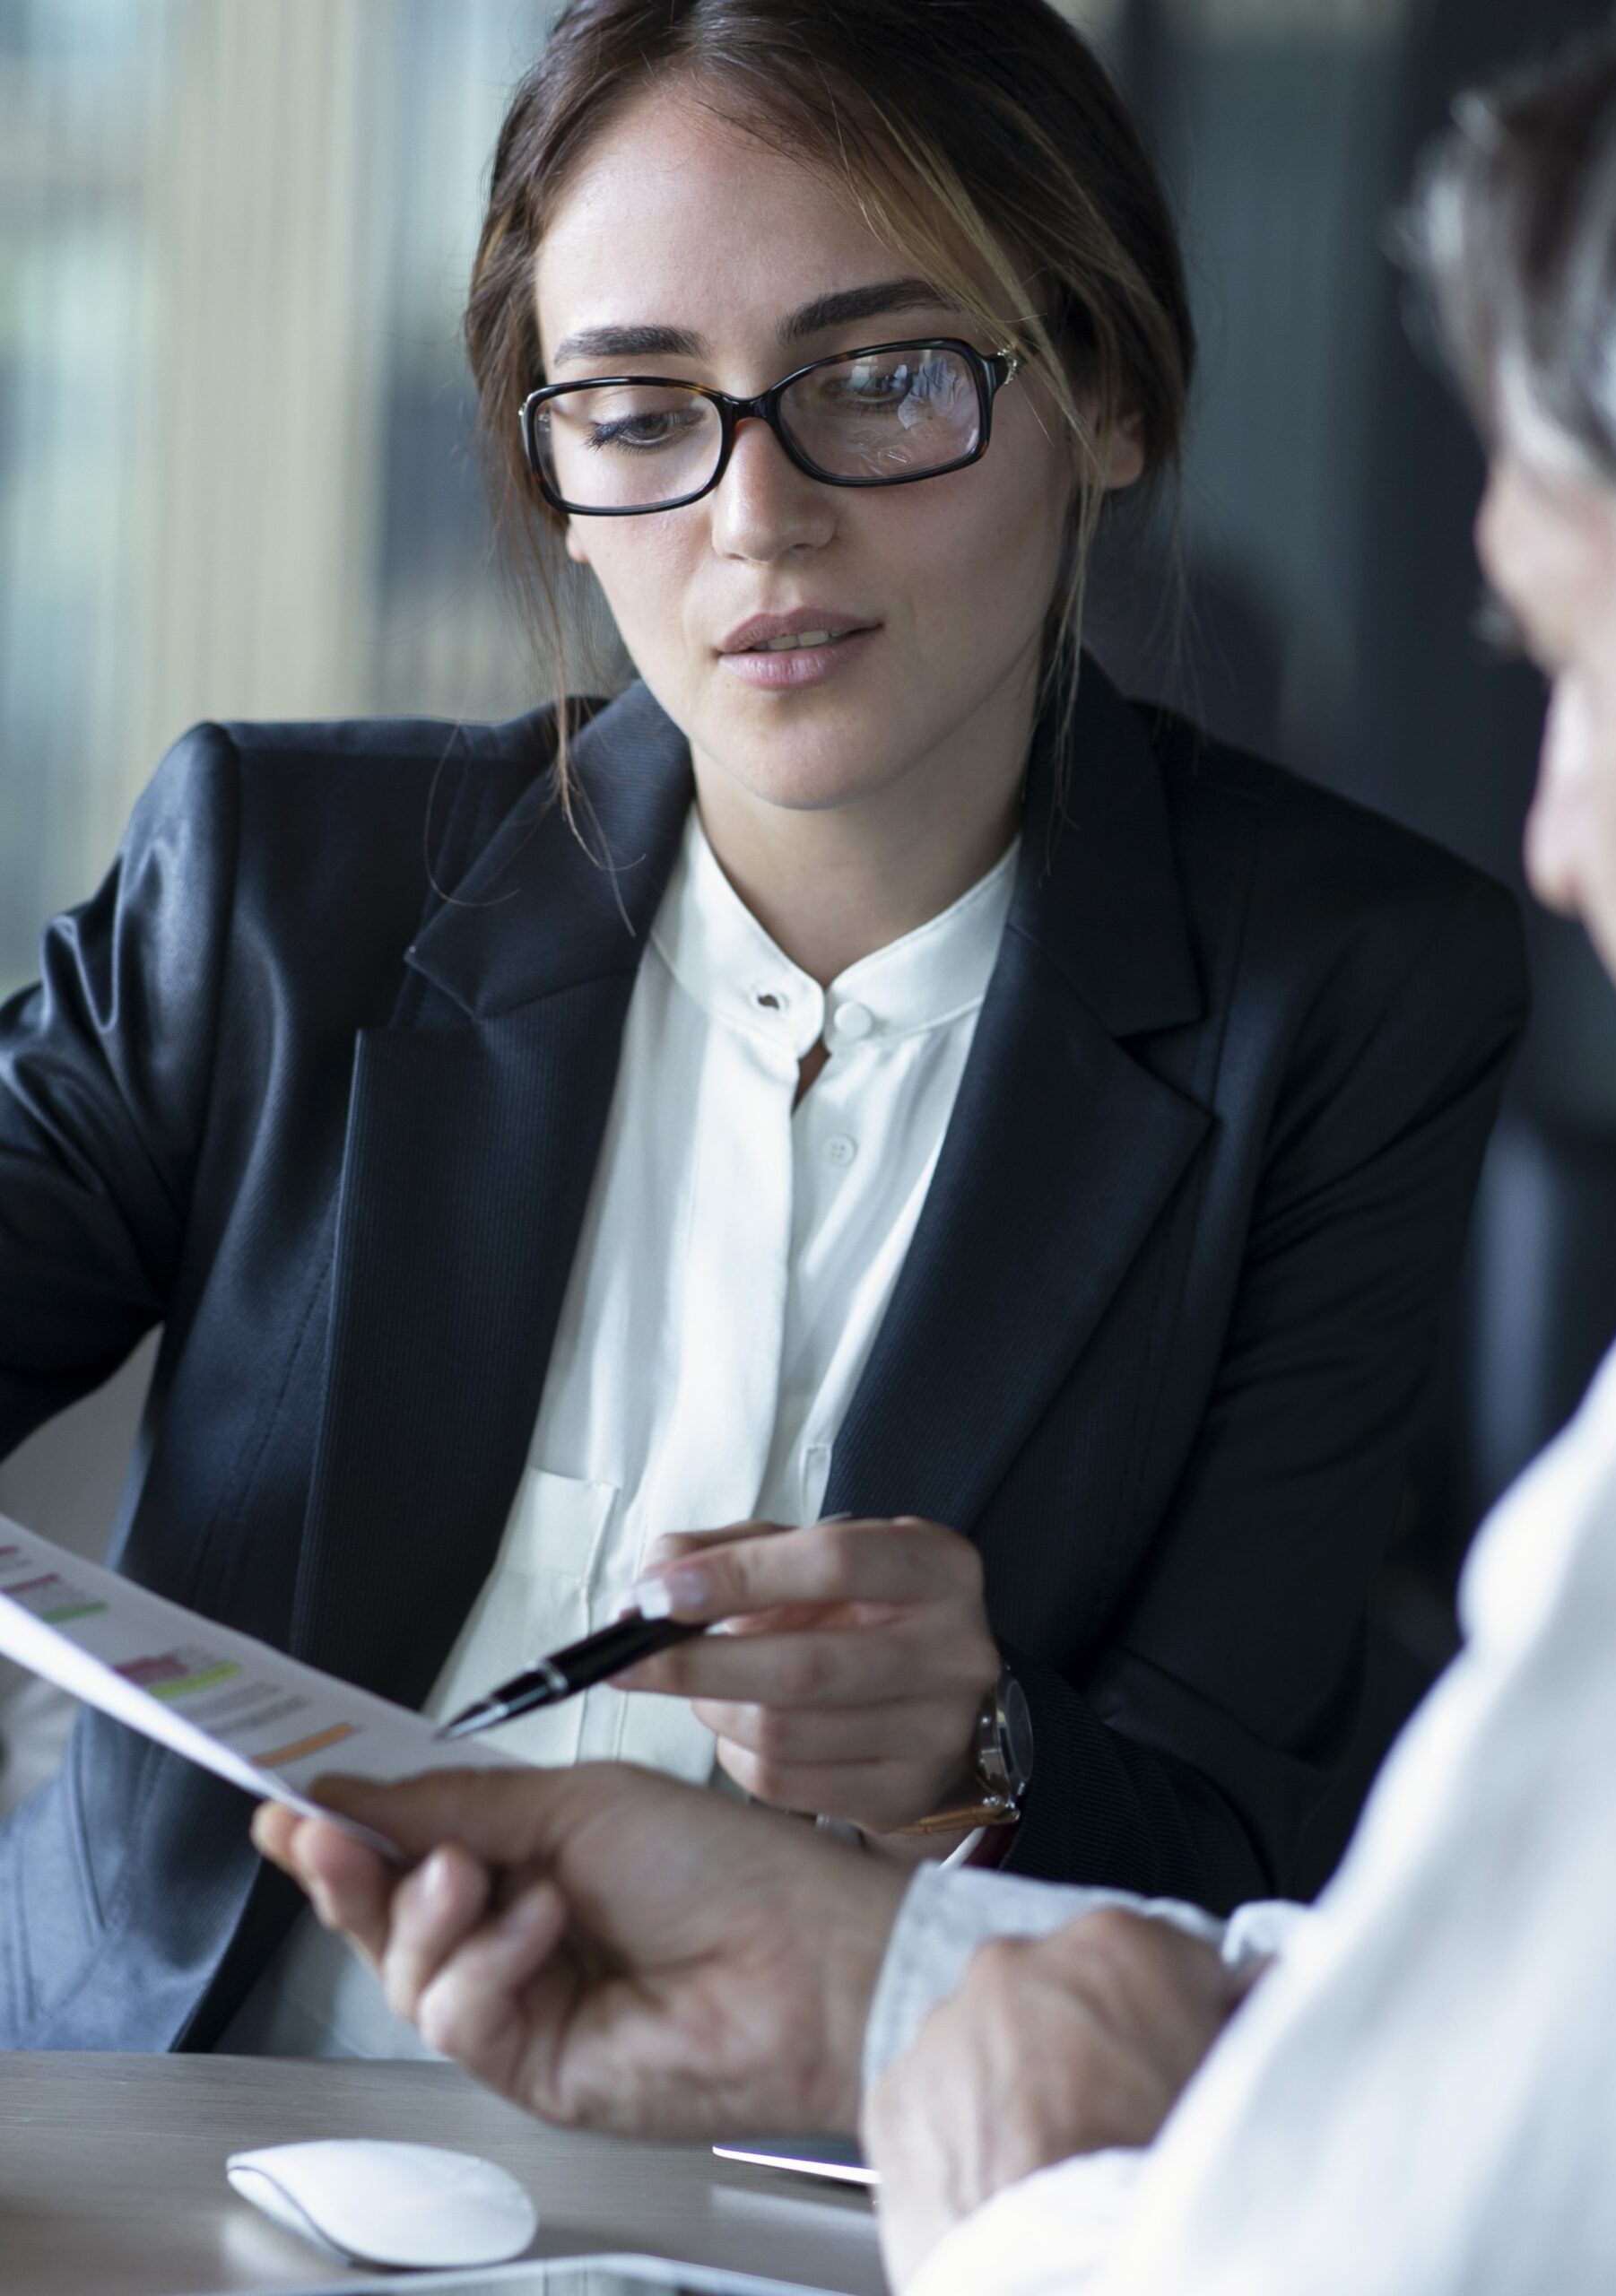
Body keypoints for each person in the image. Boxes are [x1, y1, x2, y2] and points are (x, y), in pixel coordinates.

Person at [262, 0, 1616, 2287]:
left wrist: (1020, 2191)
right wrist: (878, 1989)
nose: (1557, 834)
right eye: (638, 408)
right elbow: (1585, 2036)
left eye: (1576, 676)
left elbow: (1438, 2237)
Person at [0, 0, 1527, 2056]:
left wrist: (977, 1748)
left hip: (816, 2208)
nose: (756, 517)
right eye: (637, 410)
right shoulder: (276, 884)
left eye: (881, 379)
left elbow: (1246, 1840)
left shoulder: (1344, 997)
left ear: (1102, 393)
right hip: (166, 2143)